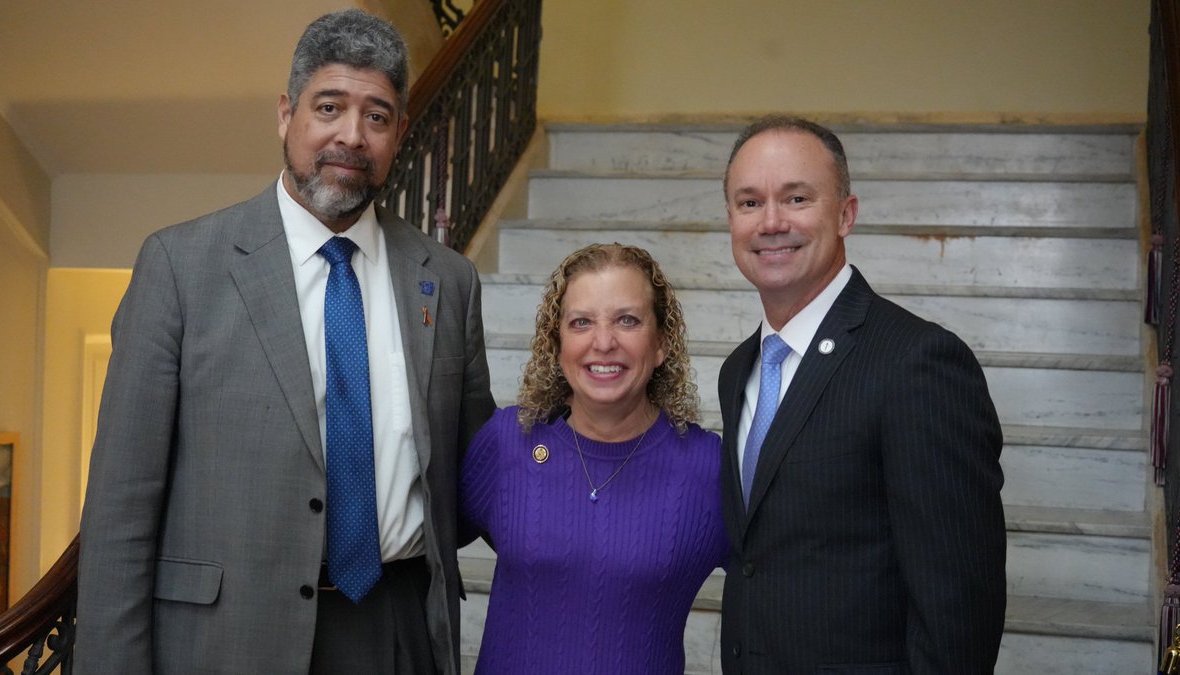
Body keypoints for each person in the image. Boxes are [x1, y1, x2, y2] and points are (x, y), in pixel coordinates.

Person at [75, 10, 494, 675]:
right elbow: (119, 517)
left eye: (377, 116)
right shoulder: (181, 267)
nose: (350, 136)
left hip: (397, 632)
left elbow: (480, 473)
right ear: (285, 113)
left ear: (400, 134)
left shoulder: (447, 280)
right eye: (329, 106)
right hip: (227, 642)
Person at [717, 116, 1006, 674]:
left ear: (846, 213)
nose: (771, 222)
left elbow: (958, 609)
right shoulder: (740, 371)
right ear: (730, 219)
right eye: (749, 203)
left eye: (796, 197)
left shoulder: (917, 363)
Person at [460, 243, 729, 673]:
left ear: (661, 342)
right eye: (581, 322)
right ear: (558, 342)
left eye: (628, 320)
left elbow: (774, 591)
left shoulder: (708, 469)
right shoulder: (507, 443)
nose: (604, 342)